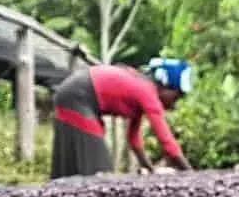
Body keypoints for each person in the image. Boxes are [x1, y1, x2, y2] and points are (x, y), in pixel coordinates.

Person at [51, 57, 193, 178]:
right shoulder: (147, 93)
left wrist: (150, 170)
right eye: (177, 96)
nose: (175, 103)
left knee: (77, 168)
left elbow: (134, 140)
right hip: (78, 96)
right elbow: (168, 144)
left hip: (74, 93)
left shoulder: (141, 89)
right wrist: (192, 175)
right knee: (99, 170)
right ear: (166, 87)